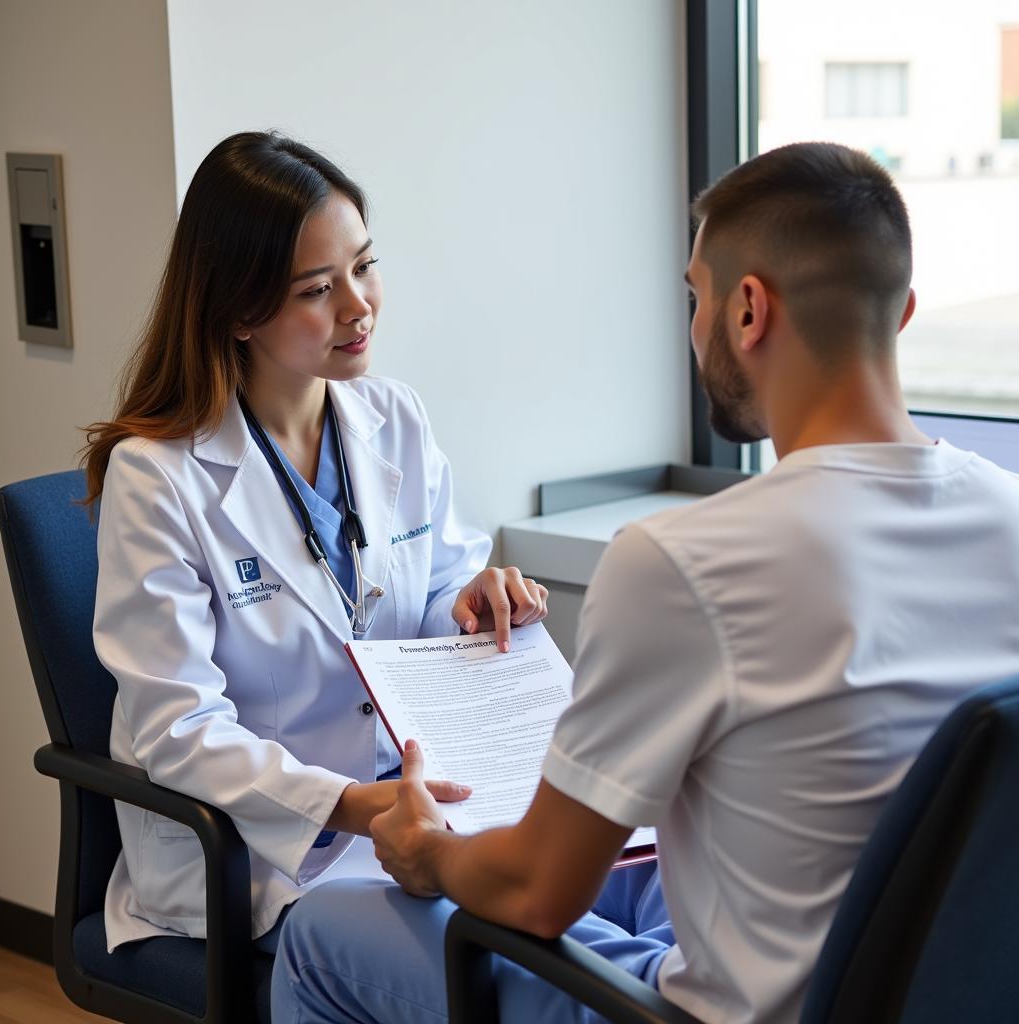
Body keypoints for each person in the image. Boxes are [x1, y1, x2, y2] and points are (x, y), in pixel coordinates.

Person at [270, 141, 1019, 1023]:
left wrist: (429, 855)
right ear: (901, 314)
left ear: (748, 310)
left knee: (321, 932)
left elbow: (537, 892)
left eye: (695, 296)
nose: (694, 325)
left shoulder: (682, 561)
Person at [83, 131, 548, 953]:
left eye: (364, 268)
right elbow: (176, 729)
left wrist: (472, 603)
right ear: (237, 310)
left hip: (412, 814)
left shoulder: (393, 417)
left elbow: (435, 591)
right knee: (487, 955)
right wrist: (353, 807)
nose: (358, 306)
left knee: (608, 894)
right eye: (316, 289)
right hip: (258, 859)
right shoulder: (157, 477)